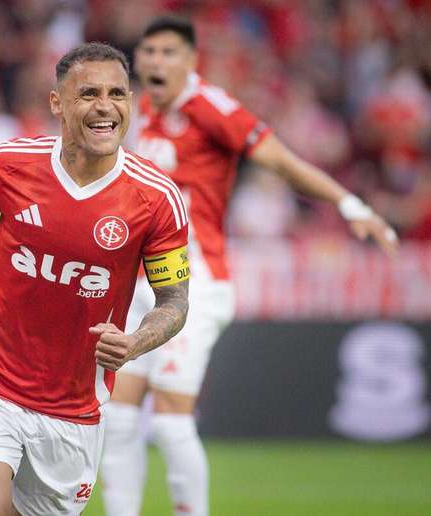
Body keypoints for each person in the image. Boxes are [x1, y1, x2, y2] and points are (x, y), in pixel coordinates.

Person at [100, 16, 399, 516]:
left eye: (169, 52)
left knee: (171, 422)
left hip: (195, 280)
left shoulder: (214, 109)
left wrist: (350, 205)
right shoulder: (140, 109)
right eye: (149, 52)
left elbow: (281, 161)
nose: (155, 61)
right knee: (121, 417)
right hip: (142, 281)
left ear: (191, 61)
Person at [0, 42, 190, 516]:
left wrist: (135, 342)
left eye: (116, 94)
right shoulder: (10, 164)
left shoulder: (157, 198)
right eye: (88, 94)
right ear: (57, 103)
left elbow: (174, 301)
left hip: (75, 408)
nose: (105, 107)